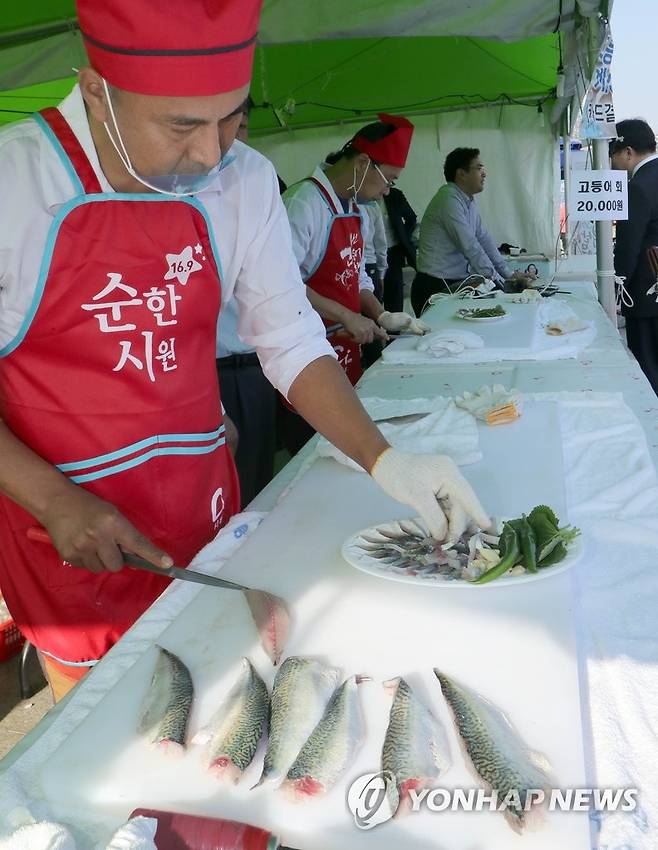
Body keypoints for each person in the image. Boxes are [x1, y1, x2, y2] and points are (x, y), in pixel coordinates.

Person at [0, 2, 489, 699]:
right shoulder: (14, 182)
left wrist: (384, 457)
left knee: (229, 704)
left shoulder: (246, 180)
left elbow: (289, 339)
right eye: (182, 126)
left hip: (202, 509)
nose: (211, 153)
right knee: (110, 738)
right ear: (95, 93)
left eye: (231, 118)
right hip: (67, 538)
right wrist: (52, 499)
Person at [281, 115, 430, 451]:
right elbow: (282, 281)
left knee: (346, 446)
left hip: (345, 347)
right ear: (364, 163)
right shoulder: (303, 203)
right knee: (312, 454)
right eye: (389, 180)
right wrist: (347, 316)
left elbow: (356, 273)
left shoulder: (357, 210)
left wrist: (379, 314)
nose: (387, 190)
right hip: (306, 355)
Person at [216, 98, 278, 507]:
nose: (222, 146)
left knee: (262, 476)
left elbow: (283, 310)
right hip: (213, 372)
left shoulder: (253, 177)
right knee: (224, 486)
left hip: (257, 365)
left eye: (240, 128)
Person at [412, 147, 528, 316]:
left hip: (452, 284)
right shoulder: (448, 200)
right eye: (479, 168)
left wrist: (509, 274)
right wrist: (498, 281)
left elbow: (484, 240)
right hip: (435, 287)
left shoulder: (467, 201)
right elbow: (470, 246)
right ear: (461, 174)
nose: (484, 174)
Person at [610, 119, 658, 395]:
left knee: (648, 367)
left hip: (646, 294)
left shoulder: (638, 186)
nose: (612, 162)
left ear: (627, 151)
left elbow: (628, 247)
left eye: (612, 154)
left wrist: (617, 289)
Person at [380, 186, 418, 313]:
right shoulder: (363, 196)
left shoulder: (395, 195)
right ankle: (374, 330)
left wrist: (403, 235)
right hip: (371, 254)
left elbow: (411, 218)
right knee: (373, 293)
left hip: (393, 251)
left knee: (394, 293)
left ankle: (395, 330)